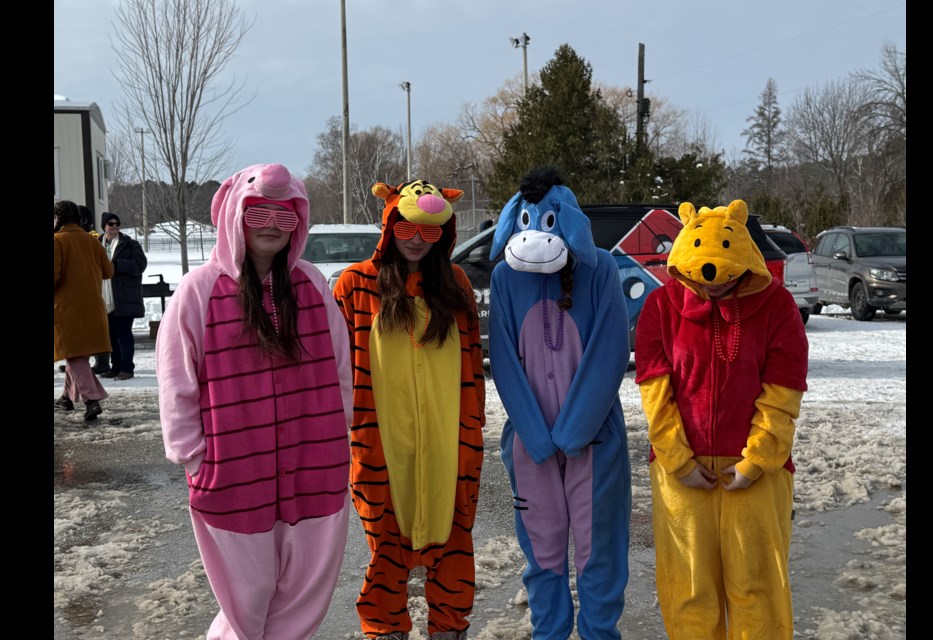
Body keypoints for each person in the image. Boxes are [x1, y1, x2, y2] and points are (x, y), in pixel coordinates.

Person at [155, 163, 354, 639]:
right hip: (233, 470)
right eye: (258, 212)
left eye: (285, 216)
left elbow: (340, 365)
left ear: (298, 224)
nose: (270, 225)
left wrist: (338, 432)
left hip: (313, 466)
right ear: (233, 215)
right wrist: (193, 456)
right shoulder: (199, 290)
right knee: (246, 596)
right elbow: (176, 377)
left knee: (305, 591)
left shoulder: (311, 286)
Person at [633, 199, 808, 639]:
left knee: (758, 588)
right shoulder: (659, 306)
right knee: (690, 590)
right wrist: (678, 462)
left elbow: (783, 394)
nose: (711, 284)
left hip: (758, 474)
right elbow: (655, 392)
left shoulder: (778, 306)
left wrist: (756, 463)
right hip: (681, 476)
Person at [332, 179, 485, 640]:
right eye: (407, 228)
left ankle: (448, 628)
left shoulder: (454, 283)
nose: (417, 239)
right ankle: (384, 628)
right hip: (378, 438)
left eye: (431, 232)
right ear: (389, 225)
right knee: (386, 543)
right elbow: (336, 366)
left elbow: (473, 360)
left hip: (449, 437)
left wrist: (472, 427)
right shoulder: (356, 283)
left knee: (454, 538)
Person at [487, 167, 632, 639]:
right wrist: (532, 432)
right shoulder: (506, 278)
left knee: (598, 551)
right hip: (531, 446)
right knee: (543, 553)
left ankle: (598, 634)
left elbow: (610, 350)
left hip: (595, 441)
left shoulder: (600, 270)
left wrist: (574, 430)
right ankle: (548, 633)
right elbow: (504, 358)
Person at [54, 200, 114, 421]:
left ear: (58, 218)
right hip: (93, 310)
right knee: (77, 357)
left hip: (67, 311)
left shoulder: (57, 241)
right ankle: (67, 398)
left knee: (74, 357)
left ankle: (91, 400)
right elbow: (108, 271)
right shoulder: (92, 241)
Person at [98, 211, 147, 380]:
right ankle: (116, 366)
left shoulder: (130, 244)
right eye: (110, 224)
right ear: (103, 226)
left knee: (123, 333)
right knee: (111, 335)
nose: (114, 227)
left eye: (117, 224)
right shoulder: (96, 243)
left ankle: (127, 368)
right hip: (104, 297)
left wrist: (116, 265)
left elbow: (140, 265)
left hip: (124, 297)